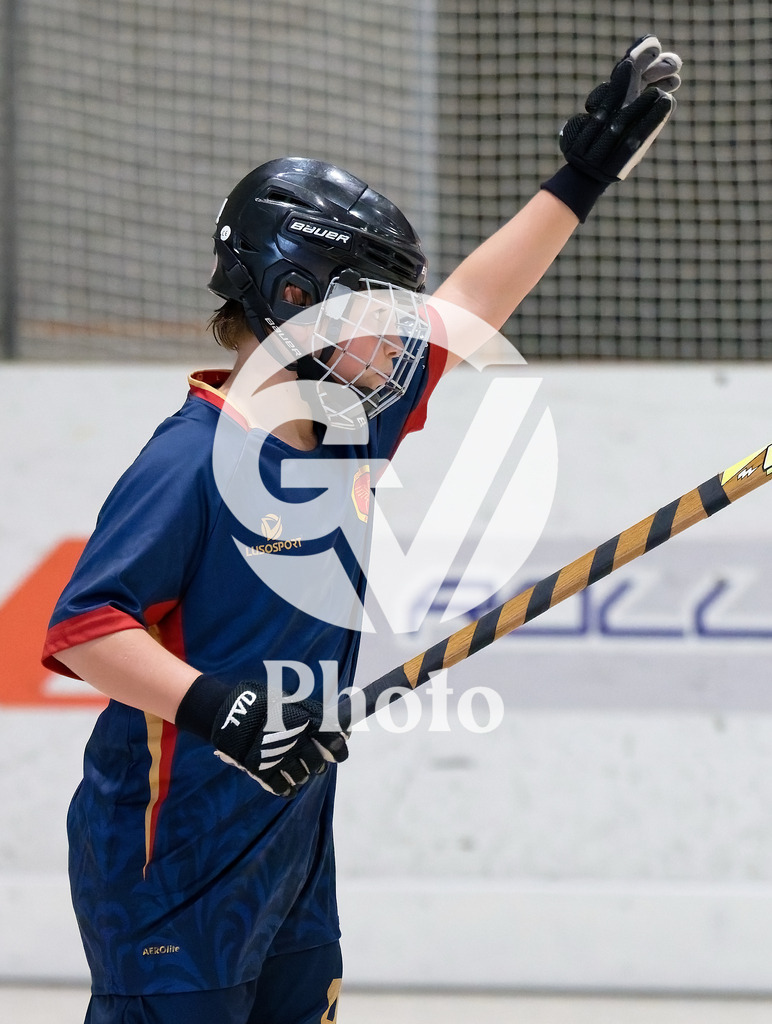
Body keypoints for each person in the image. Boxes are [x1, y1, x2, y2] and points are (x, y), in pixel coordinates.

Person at [42, 35, 682, 1024]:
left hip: (290, 840)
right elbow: (86, 628)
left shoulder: (348, 427)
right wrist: (232, 715)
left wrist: (582, 175)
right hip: (173, 857)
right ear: (291, 298)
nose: (398, 333)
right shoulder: (188, 462)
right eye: (376, 308)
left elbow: (471, 306)